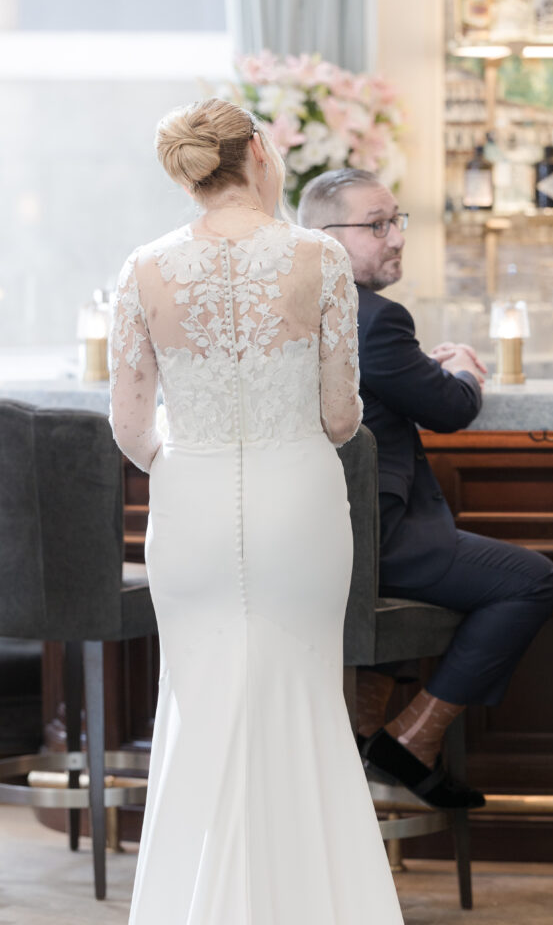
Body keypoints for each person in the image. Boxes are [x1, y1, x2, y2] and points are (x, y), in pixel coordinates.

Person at [109, 101, 404, 924]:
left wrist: (195, 458)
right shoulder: (319, 257)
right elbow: (341, 418)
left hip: (191, 502)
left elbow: (131, 431)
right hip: (296, 497)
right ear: (258, 154)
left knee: (199, 697)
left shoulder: (142, 268)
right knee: (303, 693)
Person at [298, 168, 553, 810]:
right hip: (377, 544)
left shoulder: (288, 309)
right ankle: (411, 742)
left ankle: (362, 739)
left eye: (397, 221)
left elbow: (399, 383)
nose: (396, 237)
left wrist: (431, 370)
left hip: (312, 545)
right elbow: (449, 409)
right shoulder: (376, 318)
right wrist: (467, 369)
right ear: (324, 237)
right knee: (532, 580)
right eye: (377, 224)